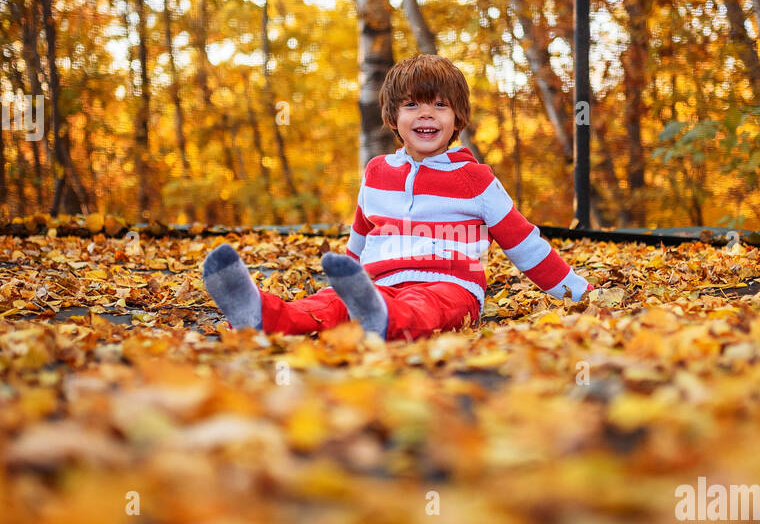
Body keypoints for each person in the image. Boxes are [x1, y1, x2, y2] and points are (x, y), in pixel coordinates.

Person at [203, 53, 594, 342]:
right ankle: (259, 314)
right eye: (412, 105)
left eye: (440, 105)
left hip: (451, 284)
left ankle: (382, 319)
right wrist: (345, 280)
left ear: (457, 118)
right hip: (378, 281)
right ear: (393, 118)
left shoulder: (475, 180)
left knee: (431, 308)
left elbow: (524, 244)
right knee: (328, 305)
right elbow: (360, 237)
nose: (427, 115)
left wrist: (577, 293)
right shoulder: (376, 172)